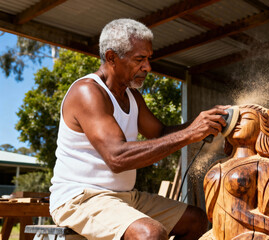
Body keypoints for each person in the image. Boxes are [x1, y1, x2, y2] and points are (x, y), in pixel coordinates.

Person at [49, 18, 229, 240]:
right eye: (139, 59)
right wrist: (190, 133)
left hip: (124, 196)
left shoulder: (132, 96)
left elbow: (161, 133)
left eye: (148, 59)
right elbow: (117, 158)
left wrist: (203, 123)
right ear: (111, 57)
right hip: (80, 198)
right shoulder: (87, 92)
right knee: (150, 234)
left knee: (196, 220)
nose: (148, 67)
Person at [201, 104, 269, 240]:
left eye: (246, 118)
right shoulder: (218, 165)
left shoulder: (267, 166)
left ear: (263, 128)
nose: (236, 123)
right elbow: (211, 215)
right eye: (233, 120)